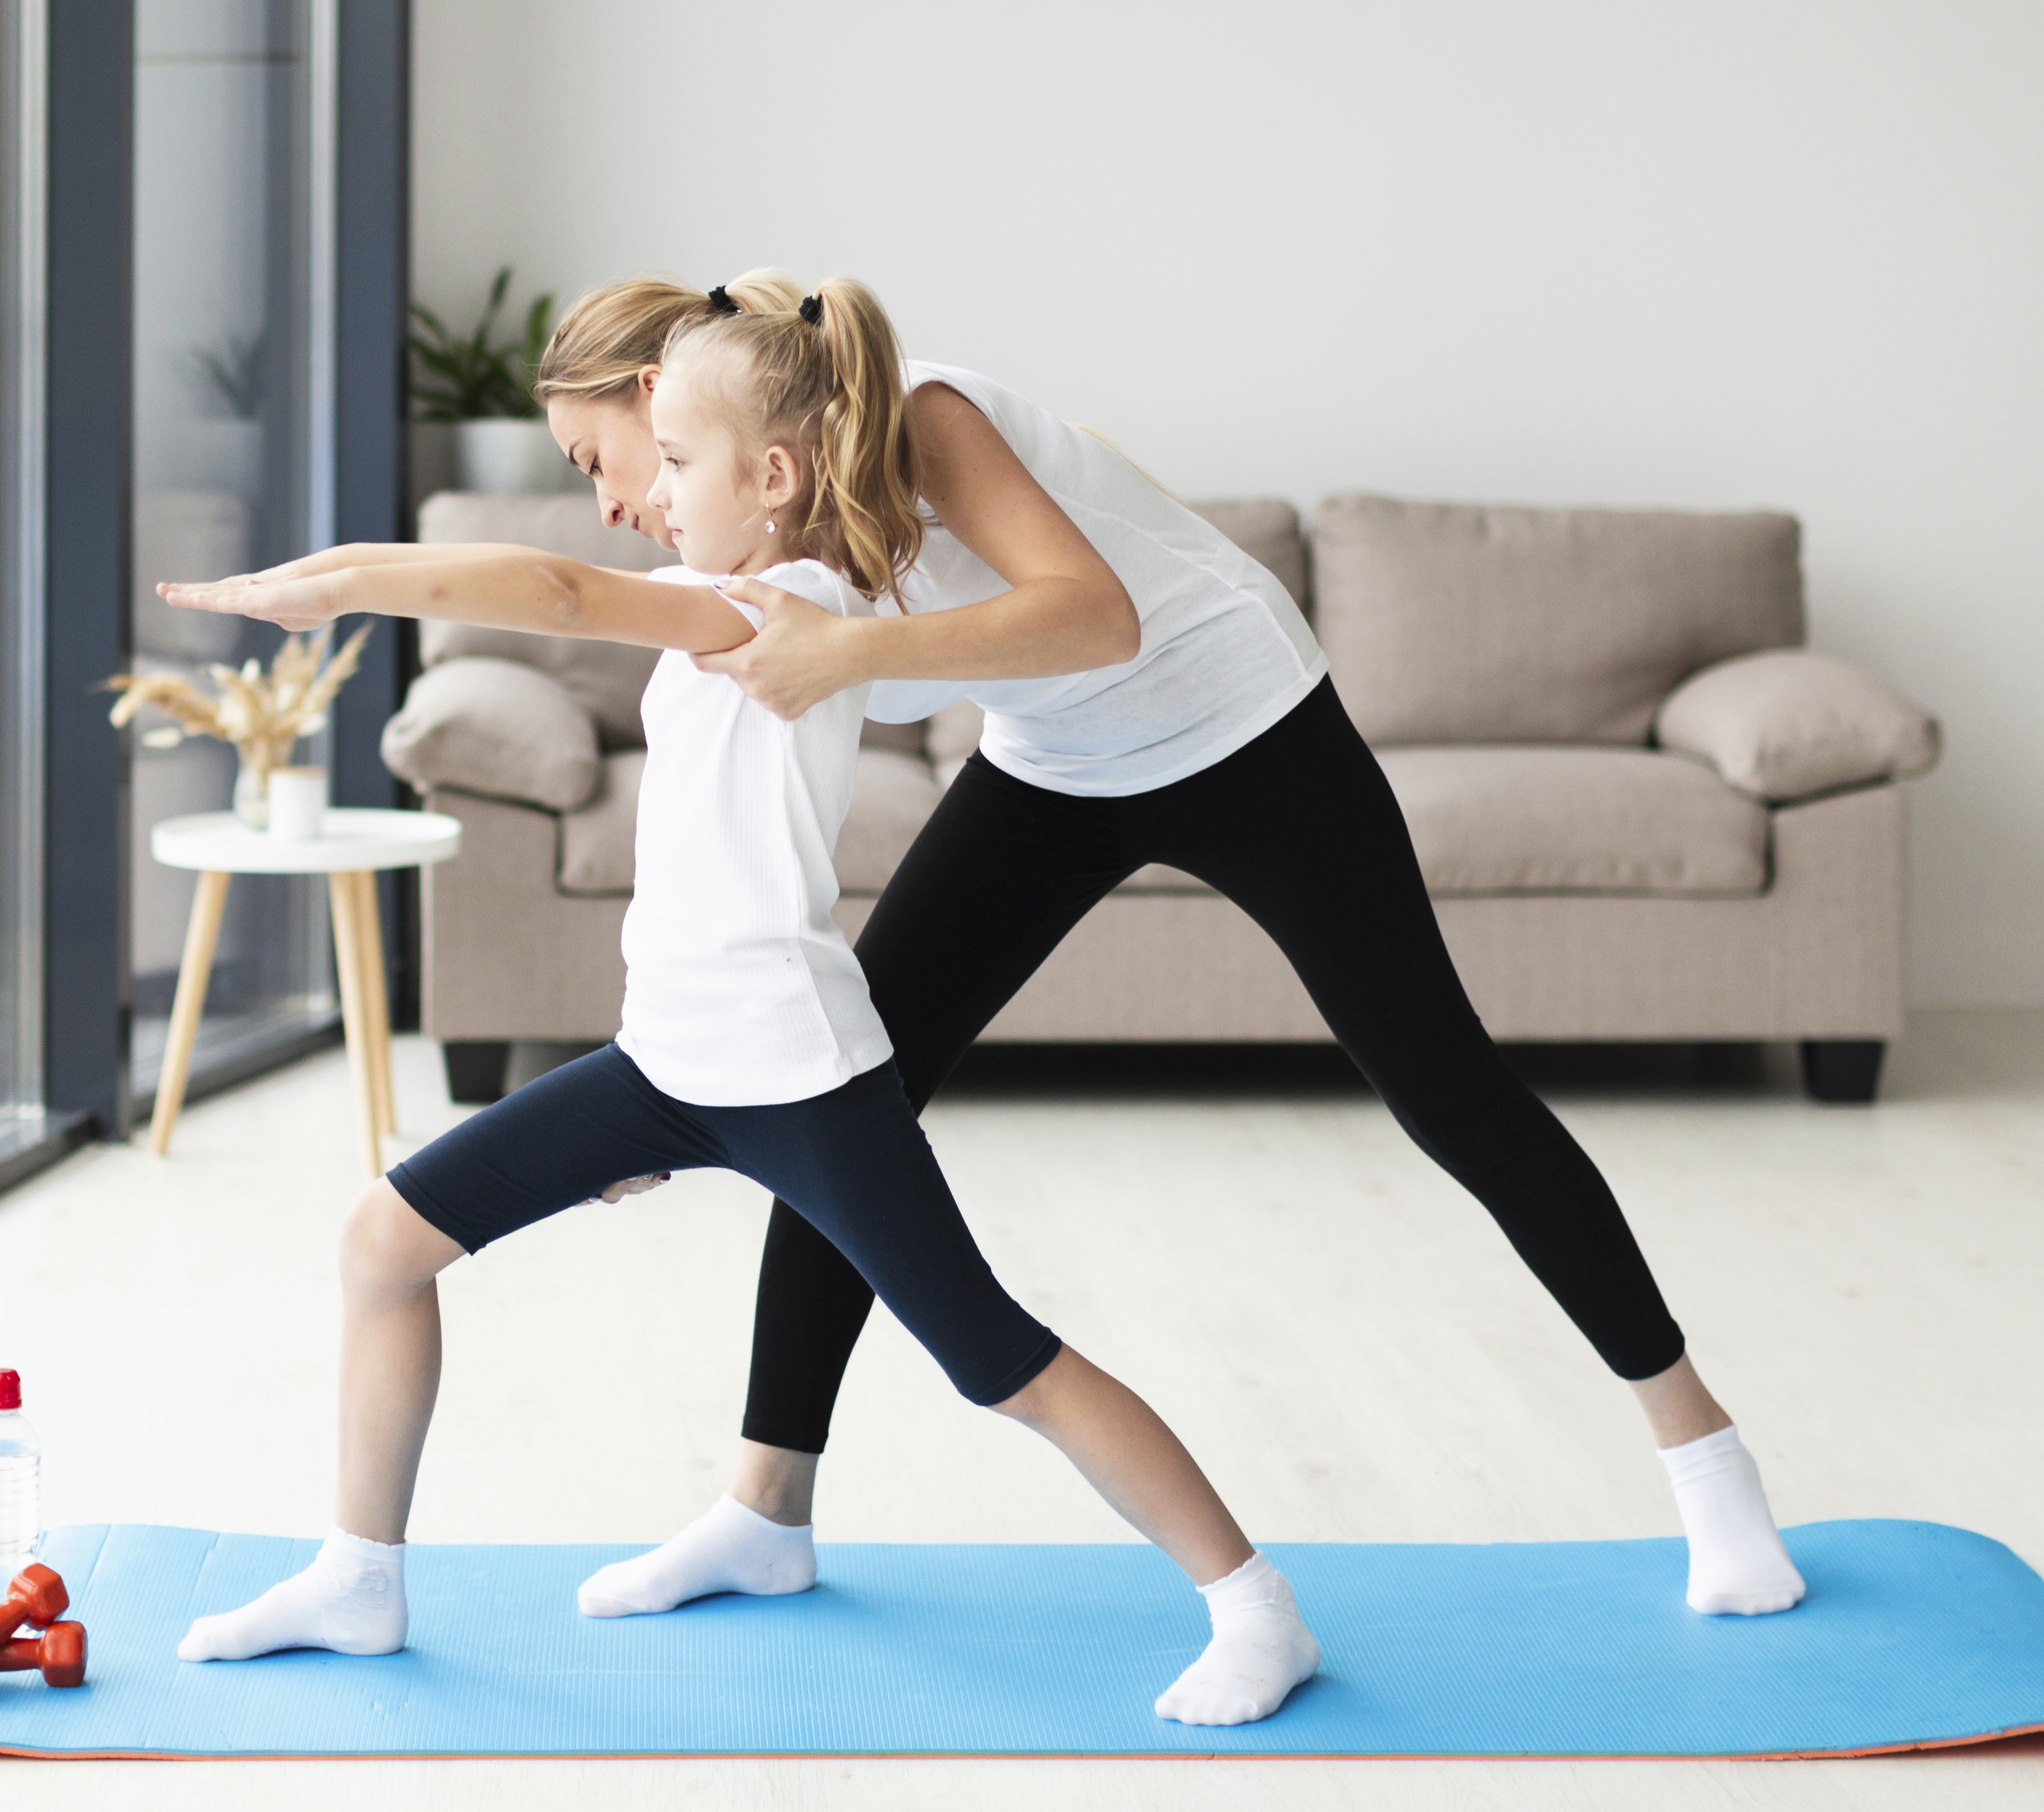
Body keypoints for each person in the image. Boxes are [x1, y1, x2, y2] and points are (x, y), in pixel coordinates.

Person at [525, 272, 1805, 1625]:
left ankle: (1707, 1465)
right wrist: (690, 1084)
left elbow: (1096, 616)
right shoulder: (747, 514)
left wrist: (843, 655)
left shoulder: (915, 417)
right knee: (850, 1087)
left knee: (1445, 1088)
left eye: (600, 456)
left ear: (665, 394)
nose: (613, 501)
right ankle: (762, 1511)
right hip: (1057, 761)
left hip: (1245, 728)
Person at [159, 279, 1321, 1728]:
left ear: (770, 482)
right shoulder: (735, 600)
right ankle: (358, 1576)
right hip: (666, 1068)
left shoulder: (787, 608)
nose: (648, 491)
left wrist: (340, 581)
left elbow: (558, 593)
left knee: (1000, 1365)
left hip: (798, 1080)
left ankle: (1252, 1607)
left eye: (677, 463)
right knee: (384, 1244)